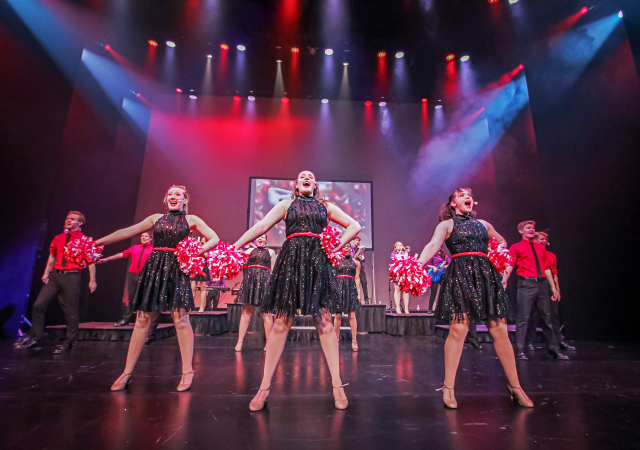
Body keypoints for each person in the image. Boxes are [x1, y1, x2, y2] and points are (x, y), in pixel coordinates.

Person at [232, 170, 361, 411]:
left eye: (311, 176)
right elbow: (260, 225)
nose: (306, 178)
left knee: (324, 321)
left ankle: (337, 385)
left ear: (315, 185)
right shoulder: (285, 204)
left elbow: (354, 226)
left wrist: (334, 247)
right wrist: (235, 246)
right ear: (295, 184)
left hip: (318, 264)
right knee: (281, 322)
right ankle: (264, 388)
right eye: (302, 176)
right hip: (290, 263)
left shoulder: (326, 206)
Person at [96, 185, 220, 392]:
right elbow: (128, 231)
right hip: (154, 268)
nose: (173, 197)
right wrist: (98, 242)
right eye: (170, 194)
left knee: (181, 318)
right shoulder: (155, 219)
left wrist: (197, 252)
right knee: (142, 318)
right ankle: (127, 372)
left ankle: (187, 371)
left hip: (177, 269)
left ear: (184, 200)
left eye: (177, 195)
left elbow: (214, 238)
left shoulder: (192, 220)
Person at [417, 187, 533, 408]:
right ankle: (448, 387)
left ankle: (515, 387)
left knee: (500, 330)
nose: (467, 197)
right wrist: (415, 267)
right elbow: (433, 246)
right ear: (453, 203)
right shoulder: (447, 225)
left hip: (485, 276)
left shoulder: (484, 225)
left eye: (469, 195)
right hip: (460, 276)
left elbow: (502, 243)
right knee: (459, 329)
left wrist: (502, 268)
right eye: (461, 195)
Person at [17, 211, 97, 354]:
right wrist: (46, 272)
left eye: (72, 219)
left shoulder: (85, 240)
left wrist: (92, 280)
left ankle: (69, 342)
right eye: (67, 219)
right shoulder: (59, 238)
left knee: (70, 311)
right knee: (38, 305)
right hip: (55, 276)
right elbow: (53, 255)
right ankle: (35, 337)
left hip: (71, 277)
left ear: (80, 223)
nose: (68, 221)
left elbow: (90, 261)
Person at [503, 221, 569, 361]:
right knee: (523, 318)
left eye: (533, 228)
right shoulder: (516, 247)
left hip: (542, 284)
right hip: (526, 284)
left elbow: (546, 268)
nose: (532, 229)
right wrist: (504, 279)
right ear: (521, 231)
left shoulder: (540, 248)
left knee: (547, 317)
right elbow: (510, 265)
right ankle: (520, 349)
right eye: (528, 228)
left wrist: (553, 287)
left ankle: (553, 349)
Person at [99, 231, 161, 344]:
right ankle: (125, 319)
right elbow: (122, 254)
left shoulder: (153, 249)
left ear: (151, 239)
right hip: (133, 274)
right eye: (142, 236)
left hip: (146, 275)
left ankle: (149, 328)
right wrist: (107, 259)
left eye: (146, 236)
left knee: (147, 299)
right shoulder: (135, 248)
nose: (144, 238)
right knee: (132, 297)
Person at [525, 232, 575, 351]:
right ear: (535, 240)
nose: (544, 241)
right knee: (534, 315)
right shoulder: (533, 255)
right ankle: (529, 342)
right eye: (541, 239)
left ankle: (558, 341)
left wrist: (556, 289)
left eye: (545, 239)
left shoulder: (551, 255)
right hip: (537, 283)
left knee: (554, 315)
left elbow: (554, 273)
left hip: (549, 285)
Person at [234, 234, 276, 352]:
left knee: (266, 314)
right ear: (255, 239)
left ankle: (268, 343)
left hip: (265, 282)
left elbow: (273, 270)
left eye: (263, 237)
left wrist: (273, 286)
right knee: (246, 312)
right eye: (258, 237)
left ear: (266, 240)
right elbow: (240, 264)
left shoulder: (271, 252)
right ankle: (240, 342)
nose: (260, 239)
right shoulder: (249, 251)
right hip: (250, 282)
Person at [333, 242, 362, 351]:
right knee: (338, 315)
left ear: (351, 249)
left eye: (348, 246)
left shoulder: (356, 263)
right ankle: (336, 339)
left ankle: (354, 341)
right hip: (338, 288)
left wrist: (359, 293)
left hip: (350, 288)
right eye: (344, 246)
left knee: (352, 315)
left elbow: (357, 278)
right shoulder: (335, 261)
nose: (346, 248)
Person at [425, 247, 451, 312]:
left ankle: (444, 309)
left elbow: (450, 263)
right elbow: (427, 265)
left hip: (442, 275)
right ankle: (430, 309)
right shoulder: (433, 255)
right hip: (435, 275)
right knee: (433, 292)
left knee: (445, 291)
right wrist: (433, 267)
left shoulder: (444, 255)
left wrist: (445, 266)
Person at [191, 236, 210, 312]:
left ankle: (202, 306)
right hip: (196, 267)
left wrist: (204, 250)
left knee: (203, 287)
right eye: (201, 241)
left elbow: (208, 256)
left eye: (204, 241)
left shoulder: (208, 248)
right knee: (193, 287)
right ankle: (191, 306)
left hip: (203, 267)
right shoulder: (196, 248)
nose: (202, 243)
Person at [391, 241, 411, 314]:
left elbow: (408, 262)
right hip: (397, 274)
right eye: (398, 246)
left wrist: (405, 252)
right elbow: (395, 260)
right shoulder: (393, 254)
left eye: (401, 245)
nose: (399, 247)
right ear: (395, 247)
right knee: (397, 289)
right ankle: (397, 307)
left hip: (405, 273)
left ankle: (406, 308)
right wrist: (400, 252)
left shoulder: (406, 254)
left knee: (405, 290)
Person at [351, 236, 369, 303]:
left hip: (360, 267)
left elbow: (363, 259)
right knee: (354, 283)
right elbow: (351, 257)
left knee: (364, 282)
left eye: (358, 240)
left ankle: (366, 299)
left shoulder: (360, 249)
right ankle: (355, 298)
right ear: (353, 241)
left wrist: (360, 255)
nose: (357, 242)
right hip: (353, 267)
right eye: (356, 240)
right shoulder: (350, 249)